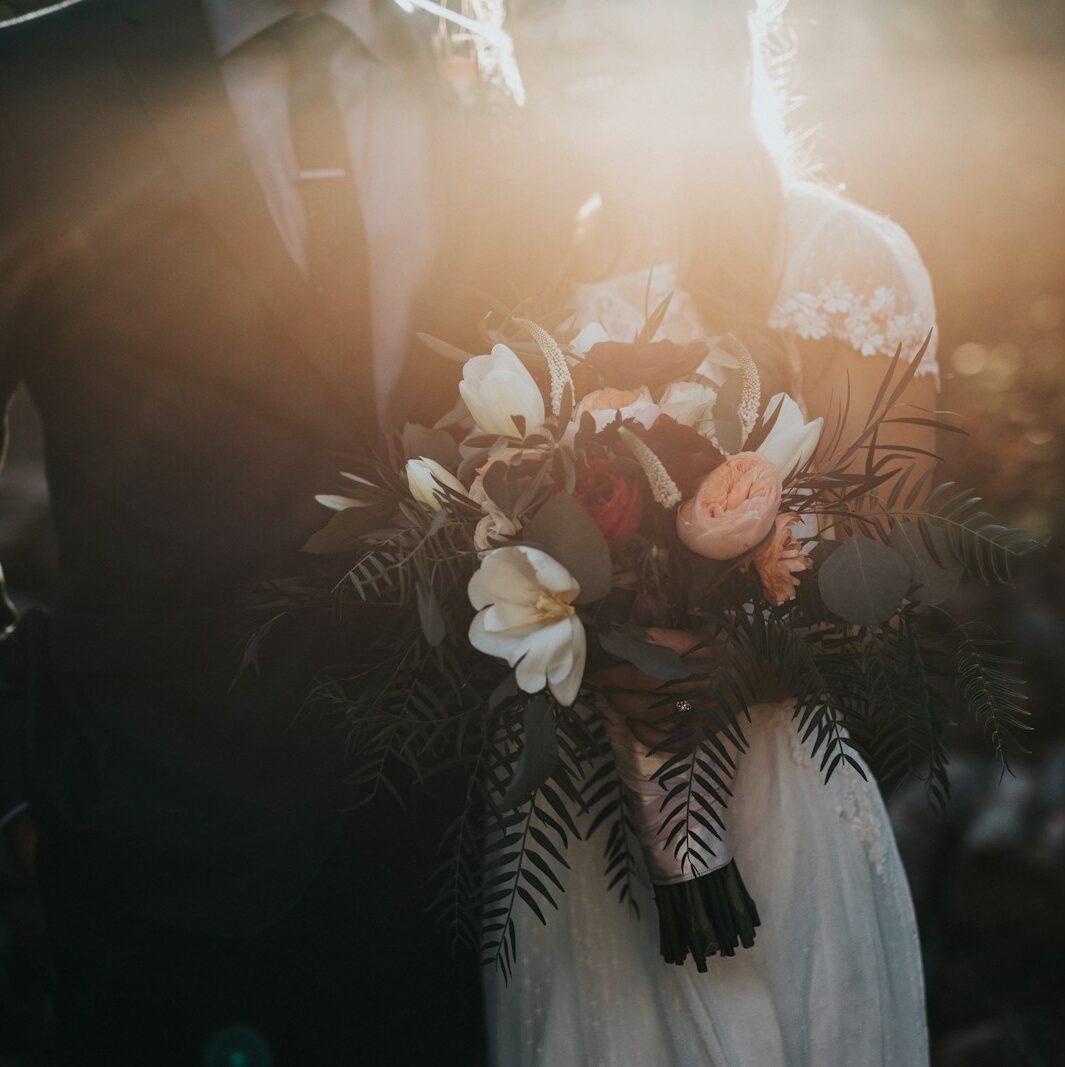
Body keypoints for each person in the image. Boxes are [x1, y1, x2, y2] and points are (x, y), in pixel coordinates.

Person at [0, 0, 482, 1062]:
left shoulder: (472, 66)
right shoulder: (31, 85)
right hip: (150, 841)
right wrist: (26, 766)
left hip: (459, 849)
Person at [476, 1, 938, 1063]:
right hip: (560, 854)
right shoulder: (510, 285)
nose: (571, 28)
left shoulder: (837, 259)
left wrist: (730, 656)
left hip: (769, 822)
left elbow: (902, 571)